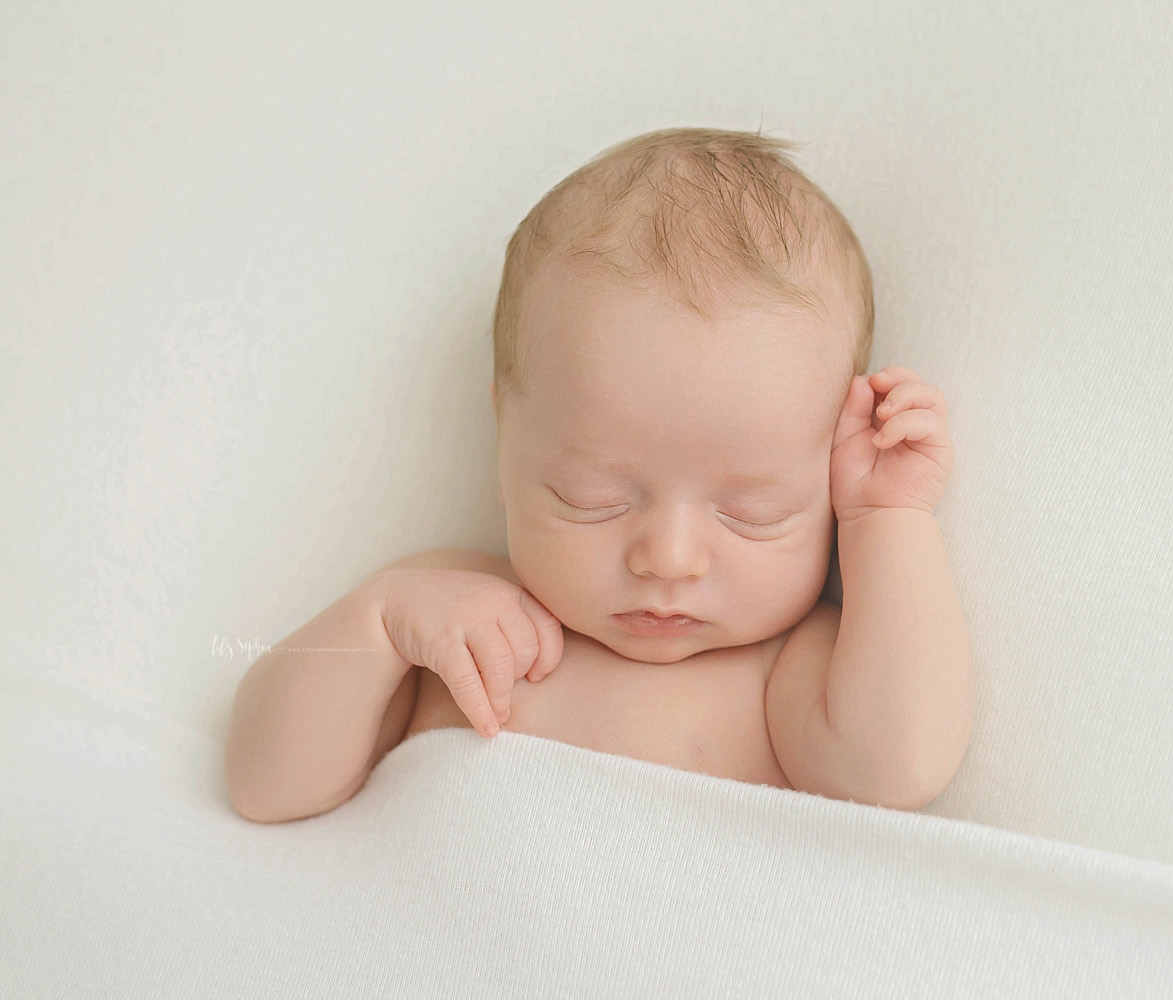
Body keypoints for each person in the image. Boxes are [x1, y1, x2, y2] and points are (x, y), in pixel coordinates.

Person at [224, 126, 973, 823]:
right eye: (594, 498)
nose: (669, 559)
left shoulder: (788, 673)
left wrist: (886, 521)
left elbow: (898, 767)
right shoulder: (450, 615)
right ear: (505, 441)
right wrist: (378, 625)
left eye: (752, 511)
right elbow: (262, 784)